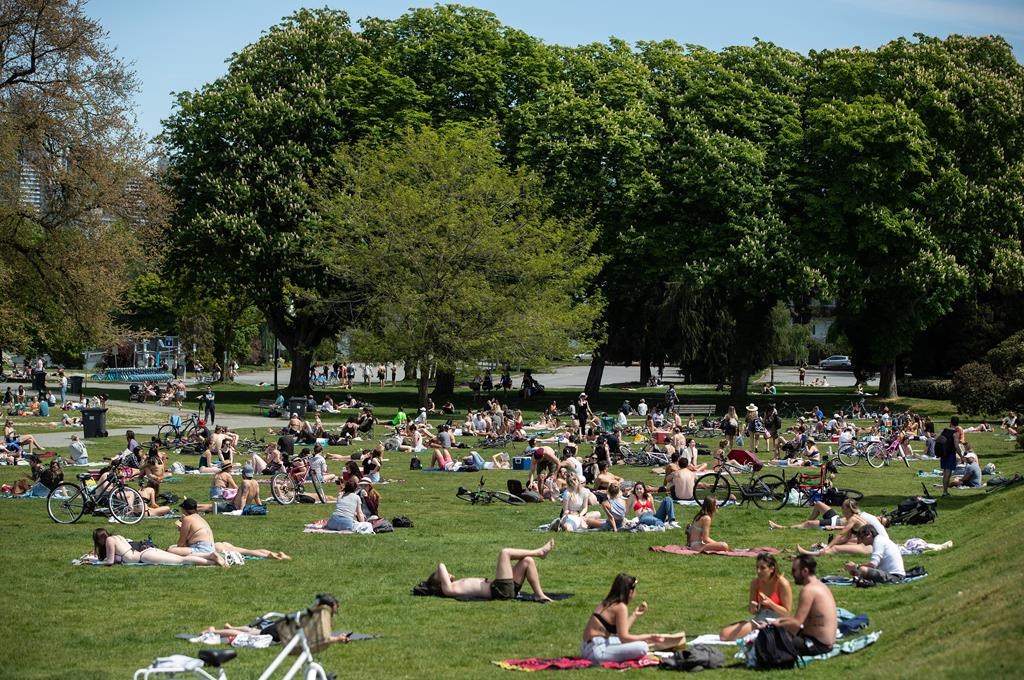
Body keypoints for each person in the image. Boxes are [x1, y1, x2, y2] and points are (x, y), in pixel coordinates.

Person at [581, 573, 686, 662]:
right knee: (642, 647)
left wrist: (635, 615)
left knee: (637, 642)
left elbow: (622, 632)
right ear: (630, 592)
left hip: (589, 647)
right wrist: (649, 636)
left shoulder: (607, 603)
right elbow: (625, 638)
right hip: (597, 652)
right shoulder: (620, 607)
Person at [757, 555, 836, 656]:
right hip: (825, 643)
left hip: (817, 645)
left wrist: (770, 625)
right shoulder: (821, 586)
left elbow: (797, 622)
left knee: (767, 640)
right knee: (781, 632)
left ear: (805, 571)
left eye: (794, 570)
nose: (792, 574)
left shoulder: (808, 590)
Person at [426, 540, 555, 602]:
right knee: (505, 553)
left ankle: (539, 594)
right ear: (440, 582)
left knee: (527, 561)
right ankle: (539, 552)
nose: (446, 573)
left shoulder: (454, 586)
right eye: (441, 576)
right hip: (499, 591)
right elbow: (441, 565)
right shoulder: (449, 589)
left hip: (502, 589)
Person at [200, 594, 347, 645]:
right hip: (277, 633)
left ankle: (229, 627)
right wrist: (337, 639)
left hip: (280, 626)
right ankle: (214, 631)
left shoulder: (312, 612)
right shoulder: (317, 618)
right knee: (251, 634)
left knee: (254, 630)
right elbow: (320, 638)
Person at [719, 553, 793, 640]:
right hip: (760, 618)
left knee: (726, 634)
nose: (758, 571)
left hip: (777, 620)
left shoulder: (782, 583)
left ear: (772, 569)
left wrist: (770, 603)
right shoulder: (755, 583)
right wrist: (754, 607)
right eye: (757, 567)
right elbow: (752, 611)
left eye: (762, 568)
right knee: (724, 634)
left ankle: (763, 634)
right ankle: (759, 634)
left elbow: (786, 612)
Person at [94, 528, 226, 567]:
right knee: (180, 557)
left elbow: (110, 561)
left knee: (181, 561)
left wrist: (95, 563)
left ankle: (212, 562)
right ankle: (210, 556)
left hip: (144, 557)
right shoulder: (117, 536)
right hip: (147, 552)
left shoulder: (109, 541)